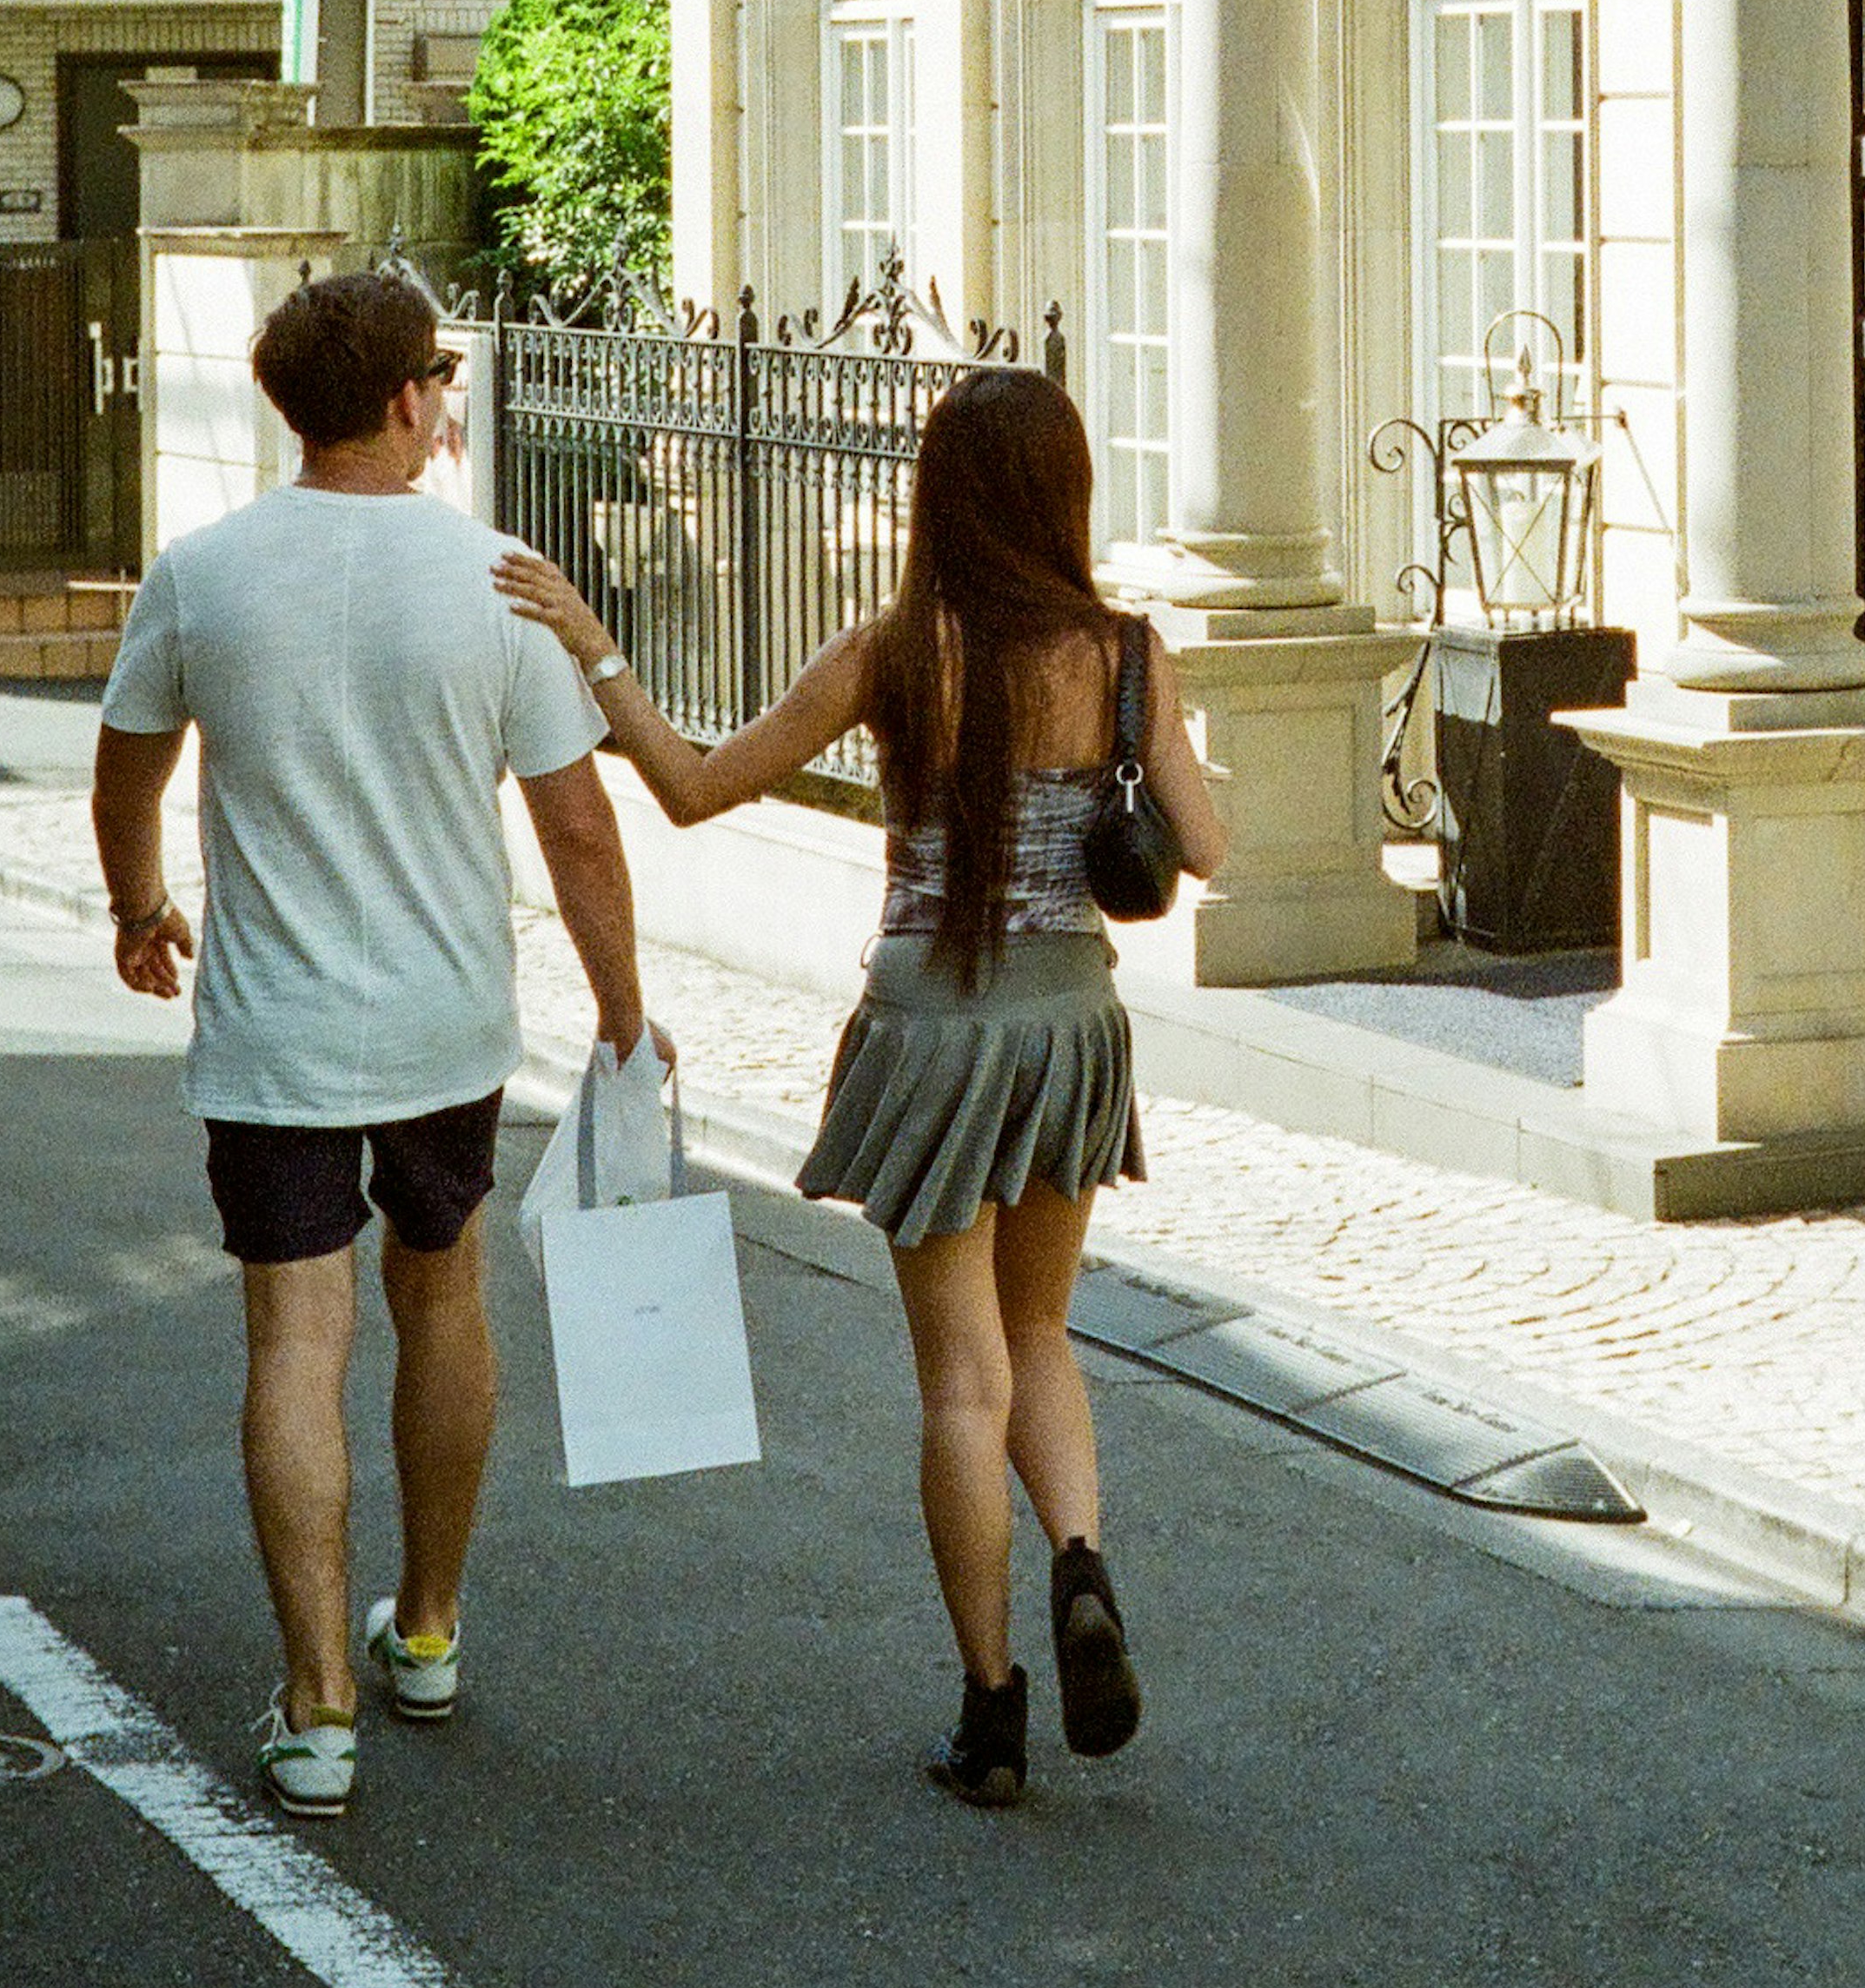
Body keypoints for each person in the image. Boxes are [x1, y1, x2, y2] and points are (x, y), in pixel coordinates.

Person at [494, 364, 1226, 1809]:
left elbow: (698, 785)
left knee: (962, 1374)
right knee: (1043, 1331)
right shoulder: (1127, 654)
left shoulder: (895, 651)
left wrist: (593, 644)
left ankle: (994, 1711)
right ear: (1066, 492)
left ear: (939, 497)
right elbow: (1205, 849)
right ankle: (1080, 1562)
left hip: (928, 1029)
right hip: (1070, 1024)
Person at [94, 264, 655, 1820]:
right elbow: (579, 829)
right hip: (445, 1020)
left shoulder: (201, 574)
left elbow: (126, 766)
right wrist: (620, 1009)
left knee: (296, 1343)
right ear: (410, 399)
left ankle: (315, 1703)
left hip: (274, 1026)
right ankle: (424, 1629)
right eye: (442, 383)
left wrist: (140, 906)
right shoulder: (501, 582)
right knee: (444, 1297)